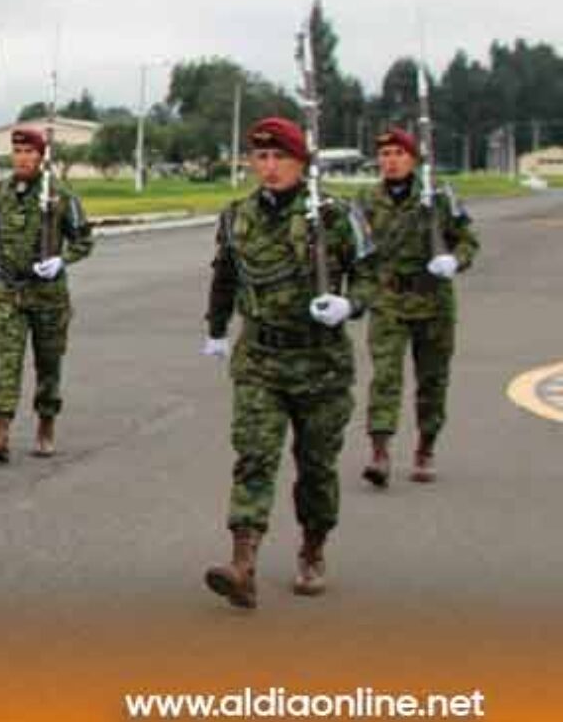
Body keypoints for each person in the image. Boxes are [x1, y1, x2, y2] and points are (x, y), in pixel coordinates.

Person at [201, 117, 376, 610]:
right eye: (261, 157)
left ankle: (313, 548)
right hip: (260, 359)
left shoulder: (335, 215)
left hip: (320, 364)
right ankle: (243, 564)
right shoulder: (236, 217)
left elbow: (370, 275)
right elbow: (225, 277)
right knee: (254, 457)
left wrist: (350, 304)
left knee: (316, 467)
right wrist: (216, 329)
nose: (270, 166)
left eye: (280, 157)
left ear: (301, 162)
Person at [356, 128, 480, 486]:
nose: (391, 161)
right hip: (389, 300)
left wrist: (454, 261)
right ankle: (379, 451)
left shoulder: (438, 195)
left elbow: (467, 240)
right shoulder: (366, 200)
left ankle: (426, 447)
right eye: (385, 154)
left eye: (398, 153)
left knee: (432, 379)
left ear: (413, 159)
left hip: (433, 300)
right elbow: (357, 250)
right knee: (385, 376)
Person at [0, 127, 94, 462]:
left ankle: (46, 425)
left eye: (29, 152)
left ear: (41, 156)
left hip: (47, 295)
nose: (22, 158)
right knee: (8, 362)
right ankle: (0, 432)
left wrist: (61, 260)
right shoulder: (1, 192)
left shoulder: (60, 195)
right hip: (10, 292)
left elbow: (84, 240)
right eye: (17, 152)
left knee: (48, 363)